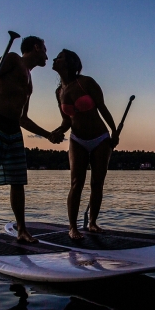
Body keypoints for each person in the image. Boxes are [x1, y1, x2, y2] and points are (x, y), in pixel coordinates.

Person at [0, 36, 62, 248]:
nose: (47, 56)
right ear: (37, 47)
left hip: (13, 128)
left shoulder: (30, 79)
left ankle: (22, 231)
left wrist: (47, 134)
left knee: (18, 181)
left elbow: (23, 118)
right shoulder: (13, 59)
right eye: (45, 50)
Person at [49, 49, 119, 239]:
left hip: (100, 139)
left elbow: (103, 108)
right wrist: (57, 131)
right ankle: (72, 227)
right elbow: (66, 122)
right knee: (76, 183)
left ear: (70, 63)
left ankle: (93, 223)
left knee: (97, 183)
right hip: (77, 140)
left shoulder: (87, 82)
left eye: (60, 57)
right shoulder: (59, 92)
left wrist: (114, 132)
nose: (55, 59)